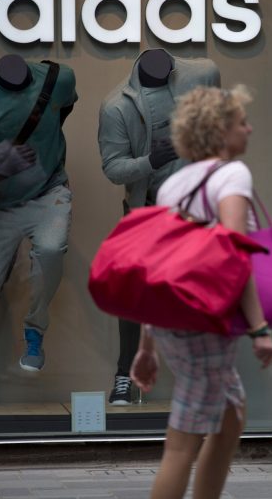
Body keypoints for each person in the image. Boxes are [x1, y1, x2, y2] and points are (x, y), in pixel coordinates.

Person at [130, 85, 272, 499]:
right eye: (241, 122)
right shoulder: (232, 174)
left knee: (232, 415)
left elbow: (159, 266)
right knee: (182, 443)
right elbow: (232, 252)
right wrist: (259, 328)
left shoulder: (175, 184)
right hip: (203, 320)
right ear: (221, 130)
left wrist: (146, 344)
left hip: (173, 320)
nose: (249, 128)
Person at [97, 49, 220, 405]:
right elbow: (113, 168)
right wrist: (152, 159)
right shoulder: (116, 107)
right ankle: (125, 374)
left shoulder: (203, 74)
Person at [0, 54, 77, 402]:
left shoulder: (59, 79)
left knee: (51, 250)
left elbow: (60, 114)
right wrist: (0, 170)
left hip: (49, 190)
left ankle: (35, 331)